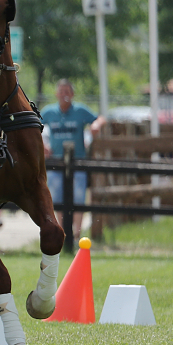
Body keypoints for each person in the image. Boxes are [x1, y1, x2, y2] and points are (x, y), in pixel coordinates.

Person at [40, 78, 105, 236]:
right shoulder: (49, 112)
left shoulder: (80, 111)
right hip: (56, 162)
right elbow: (34, 126)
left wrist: (96, 125)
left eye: (67, 92)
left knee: (78, 198)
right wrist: (42, 145)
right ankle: (61, 232)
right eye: (61, 92)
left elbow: (100, 118)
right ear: (56, 94)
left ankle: (76, 233)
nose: (64, 95)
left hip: (78, 162)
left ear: (73, 94)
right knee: (56, 199)